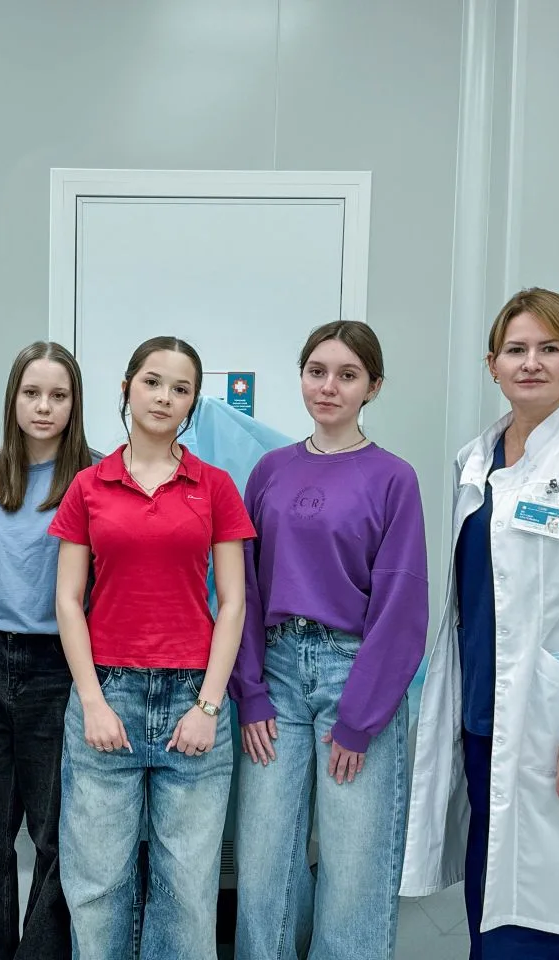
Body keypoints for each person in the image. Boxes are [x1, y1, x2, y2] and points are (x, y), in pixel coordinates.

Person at [401, 288, 559, 958]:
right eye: (516, 350)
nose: (531, 362)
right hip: (479, 709)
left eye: (550, 349)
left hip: (553, 717)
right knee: (490, 884)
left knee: (533, 897)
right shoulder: (474, 459)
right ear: (493, 365)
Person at [49, 335, 255, 960]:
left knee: (187, 890)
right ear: (126, 388)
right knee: (96, 886)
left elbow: (233, 603)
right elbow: (68, 601)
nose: (164, 397)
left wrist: (209, 706)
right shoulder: (89, 486)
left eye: (180, 388)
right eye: (152, 382)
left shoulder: (214, 486)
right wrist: (92, 702)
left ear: (193, 402)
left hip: (193, 700)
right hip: (107, 695)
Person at [228, 321, 429, 960]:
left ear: (373, 386)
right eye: (317, 371)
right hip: (277, 673)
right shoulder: (270, 471)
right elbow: (244, 590)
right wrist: (250, 691)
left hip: (354, 672)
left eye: (347, 375)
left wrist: (360, 718)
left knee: (354, 865)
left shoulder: (393, 478)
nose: (329, 387)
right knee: (264, 862)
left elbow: (401, 604)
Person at [0, 341, 94, 960]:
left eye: (58, 395)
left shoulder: (95, 478)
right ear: (13, 399)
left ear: (75, 404)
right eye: (32, 393)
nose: (44, 407)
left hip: (60, 669)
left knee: (59, 837)